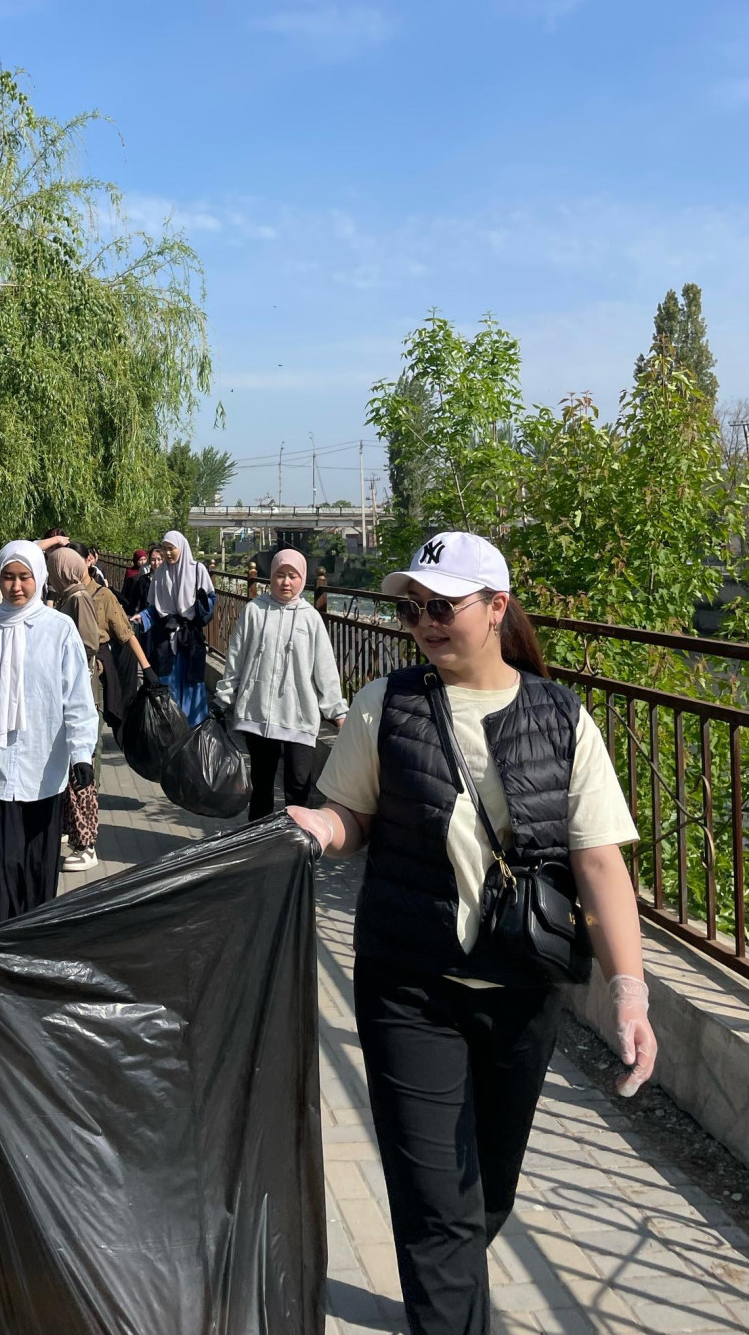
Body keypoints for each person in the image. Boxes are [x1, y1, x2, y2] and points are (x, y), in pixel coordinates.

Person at [287, 532, 657, 1335]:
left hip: (522, 993)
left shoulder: (561, 718)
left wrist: (629, 993)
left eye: (442, 606)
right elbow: (352, 815)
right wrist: (321, 825)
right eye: (413, 608)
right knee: (436, 1205)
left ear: (496, 608)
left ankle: (449, 1287)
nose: (424, 622)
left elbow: (599, 861)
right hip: (408, 983)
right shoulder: (385, 704)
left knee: (485, 1190)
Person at [0, 540, 98, 931]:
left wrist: (81, 753)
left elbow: (77, 697)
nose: (16, 586)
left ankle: (33, 948)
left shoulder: (59, 629)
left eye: (24, 577)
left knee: (36, 873)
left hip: (43, 773)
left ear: (39, 577)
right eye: (8, 576)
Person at [215, 548, 348, 820]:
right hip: (258, 713)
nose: (286, 582)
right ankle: (259, 840)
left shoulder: (310, 617)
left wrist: (337, 711)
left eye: (293, 576)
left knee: (298, 788)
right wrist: (223, 697)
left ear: (303, 579)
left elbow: (325, 668)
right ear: (271, 577)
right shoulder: (254, 611)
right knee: (261, 786)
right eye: (280, 575)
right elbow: (236, 657)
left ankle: (296, 840)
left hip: (299, 716)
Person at [47, 547, 156, 871]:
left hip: (85, 688)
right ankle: (71, 829)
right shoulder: (68, 595)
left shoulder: (85, 597)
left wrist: (148, 670)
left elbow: (103, 640)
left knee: (84, 762)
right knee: (72, 764)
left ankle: (86, 841)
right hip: (76, 688)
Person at [132, 529, 217, 724]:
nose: (168, 553)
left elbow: (210, 601)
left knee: (192, 685)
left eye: (172, 548)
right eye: (165, 549)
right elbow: (155, 608)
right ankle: (171, 729)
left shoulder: (197, 570)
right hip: (166, 640)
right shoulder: (161, 574)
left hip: (190, 639)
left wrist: (203, 605)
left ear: (182, 548)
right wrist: (142, 617)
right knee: (167, 686)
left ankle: (193, 729)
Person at [120, 548, 149, 613]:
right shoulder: (130, 572)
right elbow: (126, 588)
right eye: (140, 560)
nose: (143, 562)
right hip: (131, 600)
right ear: (136, 560)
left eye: (144, 559)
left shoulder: (148, 571)